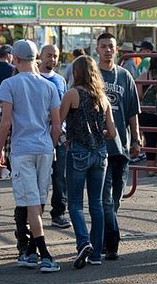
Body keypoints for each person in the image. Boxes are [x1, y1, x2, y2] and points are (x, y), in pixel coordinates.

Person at [0, 39, 62, 272]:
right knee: (38, 200)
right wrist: (50, 145)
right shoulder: (49, 86)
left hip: (22, 149)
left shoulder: (9, 85)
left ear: (15, 59)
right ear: (36, 59)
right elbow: (56, 124)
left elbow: (6, 123)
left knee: (30, 201)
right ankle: (32, 251)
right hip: (44, 147)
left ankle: (43, 253)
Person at [60, 55, 117, 269]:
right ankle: (96, 254)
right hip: (100, 152)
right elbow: (112, 132)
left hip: (78, 151)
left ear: (76, 73)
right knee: (97, 204)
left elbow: (60, 121)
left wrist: (64, 139)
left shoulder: (72, 94)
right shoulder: (103, 98)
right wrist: (98, 131)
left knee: (75, 203)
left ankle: (84, 242)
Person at [96, 33, 142, 260]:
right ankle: (111, 241)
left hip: (121, 145)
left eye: (110, 47)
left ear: (116, 50)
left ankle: (107, 235)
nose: (107, 50)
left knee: (116, 198)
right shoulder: (91, 75)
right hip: (99, 146)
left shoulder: (125, 76)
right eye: (103, 46)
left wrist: (136, 138)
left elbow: (133, 111)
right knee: (104, 197)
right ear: (97, 49)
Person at [39, 44, 71, 230]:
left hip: (59, 135)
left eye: (55, 56)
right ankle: (35, 213)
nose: (52, 59)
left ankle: (58, 212)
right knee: (39, 177)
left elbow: (65, 107)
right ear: (41, 56)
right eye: (49, 55)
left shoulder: (60, 80)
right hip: (39, 134)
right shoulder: (32, 78)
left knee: (60, 176)